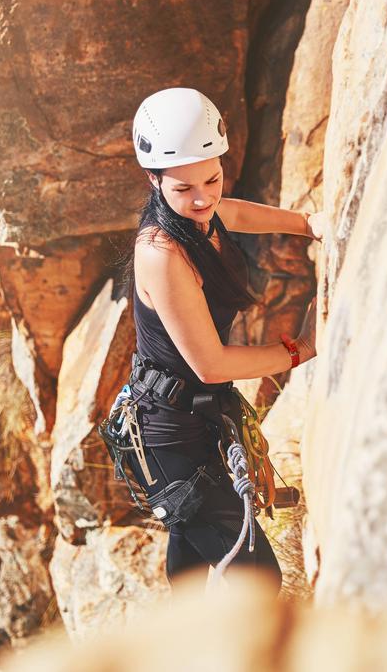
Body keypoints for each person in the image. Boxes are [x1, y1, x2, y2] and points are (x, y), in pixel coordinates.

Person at [124, 87, 321, 587]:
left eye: (212, 177)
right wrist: (297, 350)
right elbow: (209, 363)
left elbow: (234, 213)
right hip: (171, 434)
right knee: (257, 581)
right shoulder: (161, 251)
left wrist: (306, 224)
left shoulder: (201, 215)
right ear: (153, 180)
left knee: (190, 566)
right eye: (183, 187)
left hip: (199, 416)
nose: (202, 197)